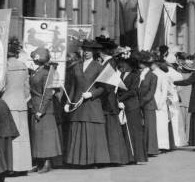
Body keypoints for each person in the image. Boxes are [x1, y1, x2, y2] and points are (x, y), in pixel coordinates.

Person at [65, 39, 109, 167]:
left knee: (91, 130)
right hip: (78, 104)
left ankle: (94, 160)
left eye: (89, 50)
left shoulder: (99, 67)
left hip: (91, 103)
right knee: (78, 129)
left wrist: (92, 94)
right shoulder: (77, 66)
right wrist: (69, 102)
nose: (87, 53)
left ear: (94, 52)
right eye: (85, 50)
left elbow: (104, 87)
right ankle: (78, 161)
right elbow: (73, 86)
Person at [96, 36, 131, 165]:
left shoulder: (109, 63)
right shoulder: (110, 62)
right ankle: (115, 157)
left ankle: (116, 157)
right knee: (112, 128)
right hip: (109, 97)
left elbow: (107, 84)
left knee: (111, 128)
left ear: (101, 51)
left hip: (108, 99)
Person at [1, 37, 32, 174]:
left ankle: (11, 167)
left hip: (7, 102)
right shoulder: (23, 66)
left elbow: (1, 87)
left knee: (10, 136)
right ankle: (23, 166)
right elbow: (27, 89)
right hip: (21, 103)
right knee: (22, 136)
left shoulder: (4, 67)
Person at [28, 47, 62, 173]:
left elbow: (47, 94)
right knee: (38, 136)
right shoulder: (37, 71)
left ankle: (47, 163)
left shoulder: (47, 73)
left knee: (45, 136)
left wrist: (41, 110)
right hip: (35, 106)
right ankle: (40, 162)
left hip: (44, 109)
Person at [116, 51, 146, 163]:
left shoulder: (135, 76)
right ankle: (128, 156)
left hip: (132, 105)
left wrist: (120, 98)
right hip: (122, 105)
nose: (123, 65)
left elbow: (133, 91)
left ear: (130, 65)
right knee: (125, 130)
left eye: (125, 64)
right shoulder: (121, 74)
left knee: (134, 131)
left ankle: (137, 157)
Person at [137, 52, 159, 157]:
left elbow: (151, 92)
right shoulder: (138, 74)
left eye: (141, 63)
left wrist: (141, 102)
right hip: (139, 102)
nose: (139, 64)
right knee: (141, 126)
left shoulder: (153, 76)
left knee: (149, 127)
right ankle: (143, 148)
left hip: (148, 104)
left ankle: (151, 149)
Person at [150, 57, 173, 152]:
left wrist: (161, 103)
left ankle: (163, 145)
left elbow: (164, 91)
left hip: (159, 100)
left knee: (161, 124)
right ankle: (157, 145)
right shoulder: (152, 73)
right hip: (153, 99)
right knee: (156, 124)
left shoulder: (162, 75)